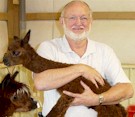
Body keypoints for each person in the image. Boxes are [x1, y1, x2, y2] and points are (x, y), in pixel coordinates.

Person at [33, 0, 134, 117]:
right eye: (72, 18)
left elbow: (127, 89)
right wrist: (81, 69)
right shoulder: (48, 48)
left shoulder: (104, 51)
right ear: (62, 21)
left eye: (84, 18)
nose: (78, 23)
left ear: (91, 21)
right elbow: (40, 82)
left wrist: (97, 99)